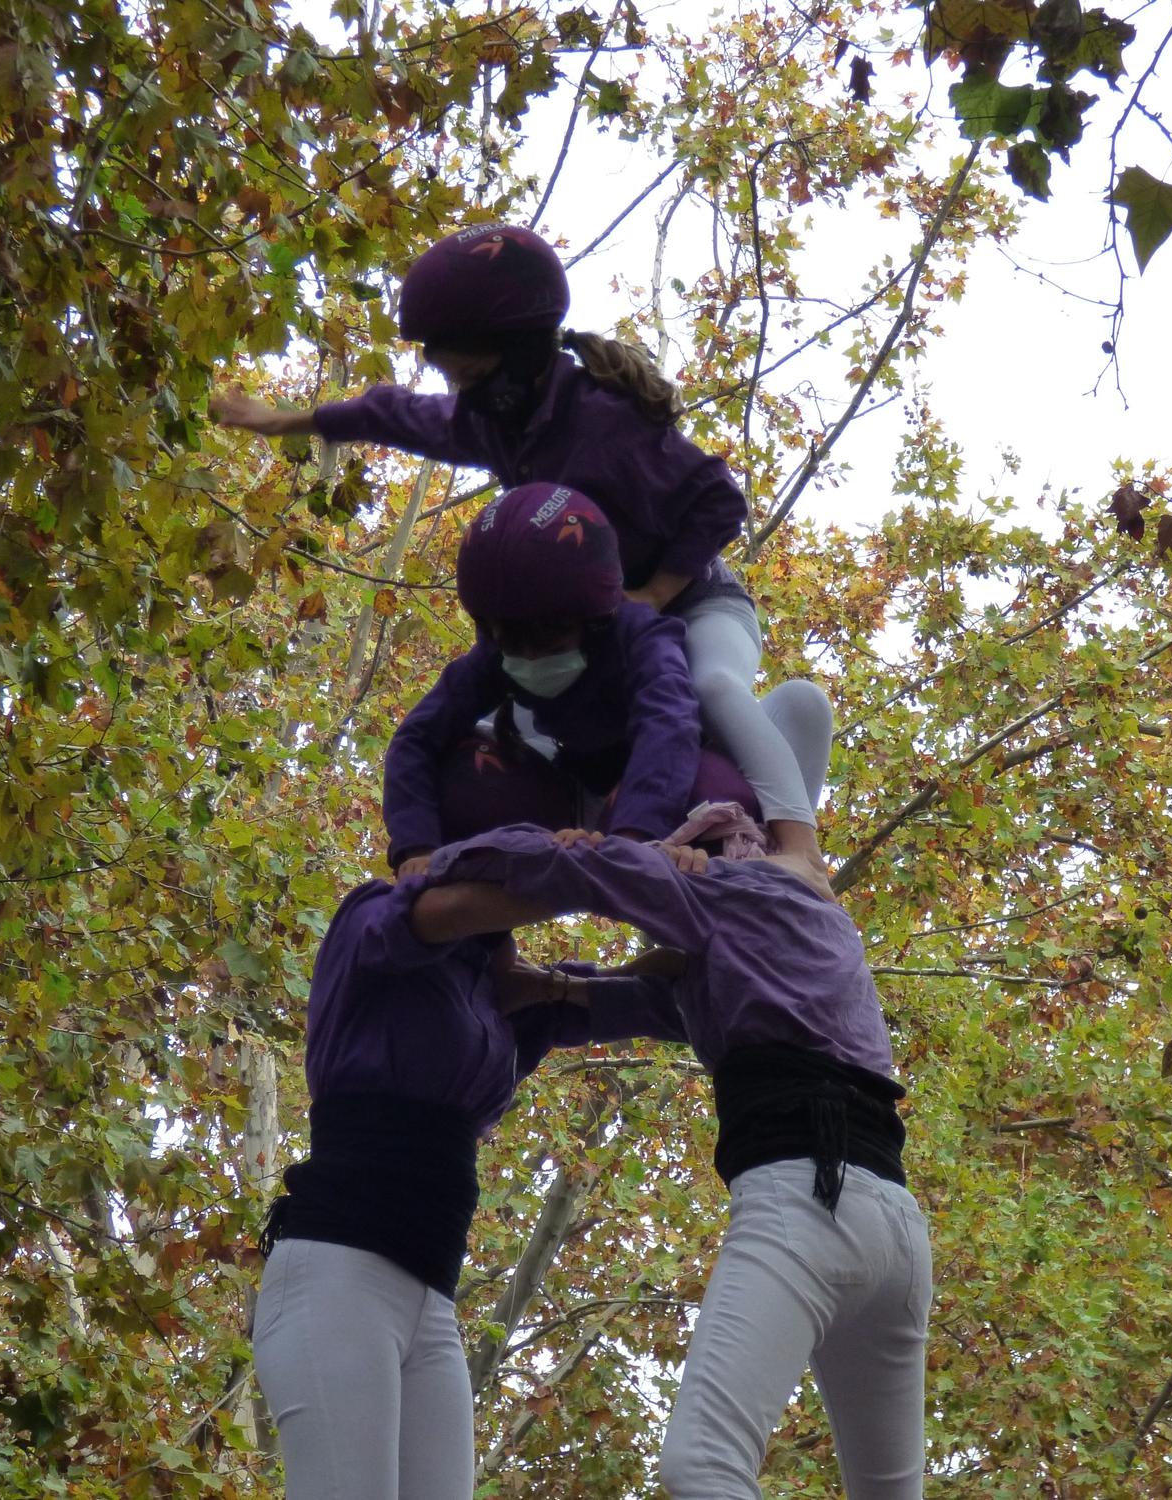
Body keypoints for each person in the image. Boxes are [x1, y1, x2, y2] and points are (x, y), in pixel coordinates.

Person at [211, 222, 829, 866]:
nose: (461, 395)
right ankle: (593, 838)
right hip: (595, 621)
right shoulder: (500, 421)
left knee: (711, 687)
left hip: (694, 598)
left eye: (472, 374)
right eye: (454, 379)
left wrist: (656, 592)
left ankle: (799, 852)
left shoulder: (606, 426)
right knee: (511, 725)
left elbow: (721, 500)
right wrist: (300, 420)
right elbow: (403, 414)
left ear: (521, 356)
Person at [407, 814, 933, 1499]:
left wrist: (432, 865)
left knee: (703, 1467)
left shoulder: (728, 889)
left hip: (809, 1202)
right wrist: (547, 985)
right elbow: (638, 1002)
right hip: (896, 1231)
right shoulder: (790, 932)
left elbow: (587, 871)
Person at [250, 750, 687, 1500]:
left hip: (429, 1300)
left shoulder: (500, 1000)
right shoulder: (376, 923)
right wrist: (602, 861)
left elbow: (661, 998)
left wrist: (736, 896)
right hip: (336, 1276)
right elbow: (451, 905)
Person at [381, 481, 701, 876]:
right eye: (513, 646)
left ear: (593, 619)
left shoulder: (641, 638)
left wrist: (636, 838)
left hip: (653, 787)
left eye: (548, 645)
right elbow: (415, 739)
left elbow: (669, 724)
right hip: (571, 784)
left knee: (715, 791)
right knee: (470, 776)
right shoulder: (491, 659)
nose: (530, 659)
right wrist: (417, 846)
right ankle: (481, 931)